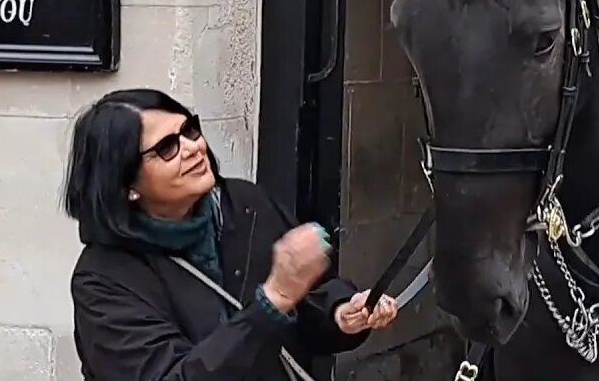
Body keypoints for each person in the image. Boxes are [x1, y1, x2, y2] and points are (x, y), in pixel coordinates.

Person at [63, 88, 399, 381]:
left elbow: (308, 302)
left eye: (190, 130)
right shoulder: (103, 279)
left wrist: (341, 314)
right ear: (127, 185)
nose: (193, 147)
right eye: (167, 148)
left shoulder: (245, 204)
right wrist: (273, 301)